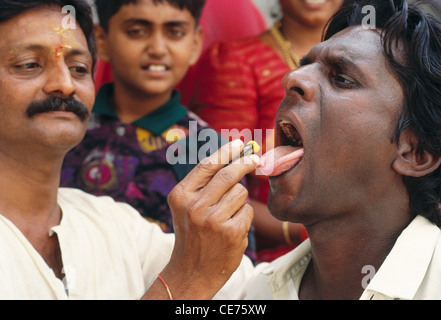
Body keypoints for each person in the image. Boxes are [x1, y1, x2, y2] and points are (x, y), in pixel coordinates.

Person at [0, 0, 260, 299]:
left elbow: (248, 289)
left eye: (79, 68)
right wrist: (186, 282)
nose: (65, 84)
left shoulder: (114, 225)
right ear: (105, 39)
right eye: (29, 64)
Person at [245, 0, 441, 299]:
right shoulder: (254, 292)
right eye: (305, 65)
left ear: (414, 153)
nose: (292, 79)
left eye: (341, 79)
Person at [59, 0, 257, 262]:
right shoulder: (63, 126)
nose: (157, 49)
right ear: (101, 41)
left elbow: (233, 266)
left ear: (195, 43)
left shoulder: (207, 152)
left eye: (174, 32)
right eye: (137, 31)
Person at [188, 0, 345, 262]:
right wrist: (304, 231)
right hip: (276, 262)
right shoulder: (235, 63)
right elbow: (218, 185)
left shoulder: (378, 61)